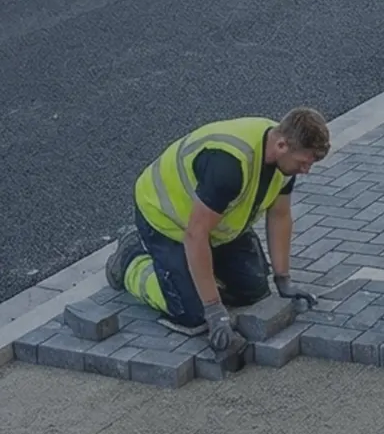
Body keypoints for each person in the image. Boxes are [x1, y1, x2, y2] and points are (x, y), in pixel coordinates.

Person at [107, 109, 331, 355]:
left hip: (216, 225)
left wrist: (283, 279)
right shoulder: (229, 164)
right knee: (192, 313)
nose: (306, 170)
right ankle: (130, 258)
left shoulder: (285, 153)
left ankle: (199, 273)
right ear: (281, 145)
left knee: (253, 290)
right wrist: (213, 310)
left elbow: (279, 215)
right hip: (166, 219)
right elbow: (195, 234)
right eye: (303, 162)